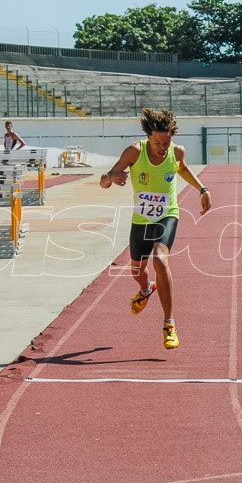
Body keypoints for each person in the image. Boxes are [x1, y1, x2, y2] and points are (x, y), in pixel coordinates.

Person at [100, 108, 212, 350]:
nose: (163, 146)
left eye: (167, 141)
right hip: (141, 220)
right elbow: (105, 181)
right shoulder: (134, 152)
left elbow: (181, 168)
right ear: (148, 137)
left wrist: (202, 189)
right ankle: (145, 289)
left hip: (167, 215)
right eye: (158, 142)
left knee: (161, 261)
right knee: (137, 272)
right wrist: (112, 177)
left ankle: (169, 325)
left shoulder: (177, 151)